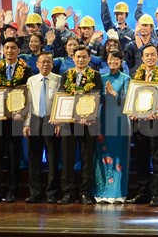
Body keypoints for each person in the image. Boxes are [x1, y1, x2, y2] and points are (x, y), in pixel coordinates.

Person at [125, 43, 158, 207]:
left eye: (153, 54)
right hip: (139, 124)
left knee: (157, 161)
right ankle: (142, 193)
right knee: (141, 160)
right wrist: (131, 111)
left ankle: (156, 194)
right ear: (142, 58)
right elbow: (131, 100)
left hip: (156, 124)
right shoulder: (136, 77)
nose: (150, 58)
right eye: (147, 55)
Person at [0, 37, 32, 203]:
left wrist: (23, 112)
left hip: (16, 119)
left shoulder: (26, 71)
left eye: (13, 48)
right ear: (2, 50)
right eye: (6, 48)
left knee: (14, 155)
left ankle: (12, 190)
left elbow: (28, 94)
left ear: (18, 51)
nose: (9, 51)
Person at [58, 45, 103, 205]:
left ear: (89, 59)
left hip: (88, 124)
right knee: (67, 158)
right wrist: (59, 118)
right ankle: (68, 192)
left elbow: (98, 97)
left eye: (84, 57)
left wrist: (87, 115)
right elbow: (61, 97)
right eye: (78, 57)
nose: (81, 60)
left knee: (87, 159)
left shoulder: (95, 76)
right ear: (73, 58)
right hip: (68, 123)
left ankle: (85, 192)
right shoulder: (66, 75)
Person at [23, 52, 61, 204]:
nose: (45, 64)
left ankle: (52, 193)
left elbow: (60, 102)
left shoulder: (58, 79)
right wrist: (27, 124)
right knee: (34, 158)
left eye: (48, 62)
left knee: (52, 158)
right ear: (37, 64)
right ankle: (35, 193)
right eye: (42, 62)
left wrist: (59, 122)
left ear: (52, 64)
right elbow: (28, 103)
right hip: (35, 119)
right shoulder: (31, 80)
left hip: (51, 120)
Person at [95, 49, 132, 204]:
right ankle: (102, 192)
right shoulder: (101, 78)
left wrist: (113, 93)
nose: (113, 62)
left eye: (116, 59)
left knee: (119, 155)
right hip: (104, 119)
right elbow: (97, 100)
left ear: (121, 61)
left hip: (120, 120)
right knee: (103, 154)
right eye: (111, 59)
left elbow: (128, 101)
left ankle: (118, 192)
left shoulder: (126, 78)